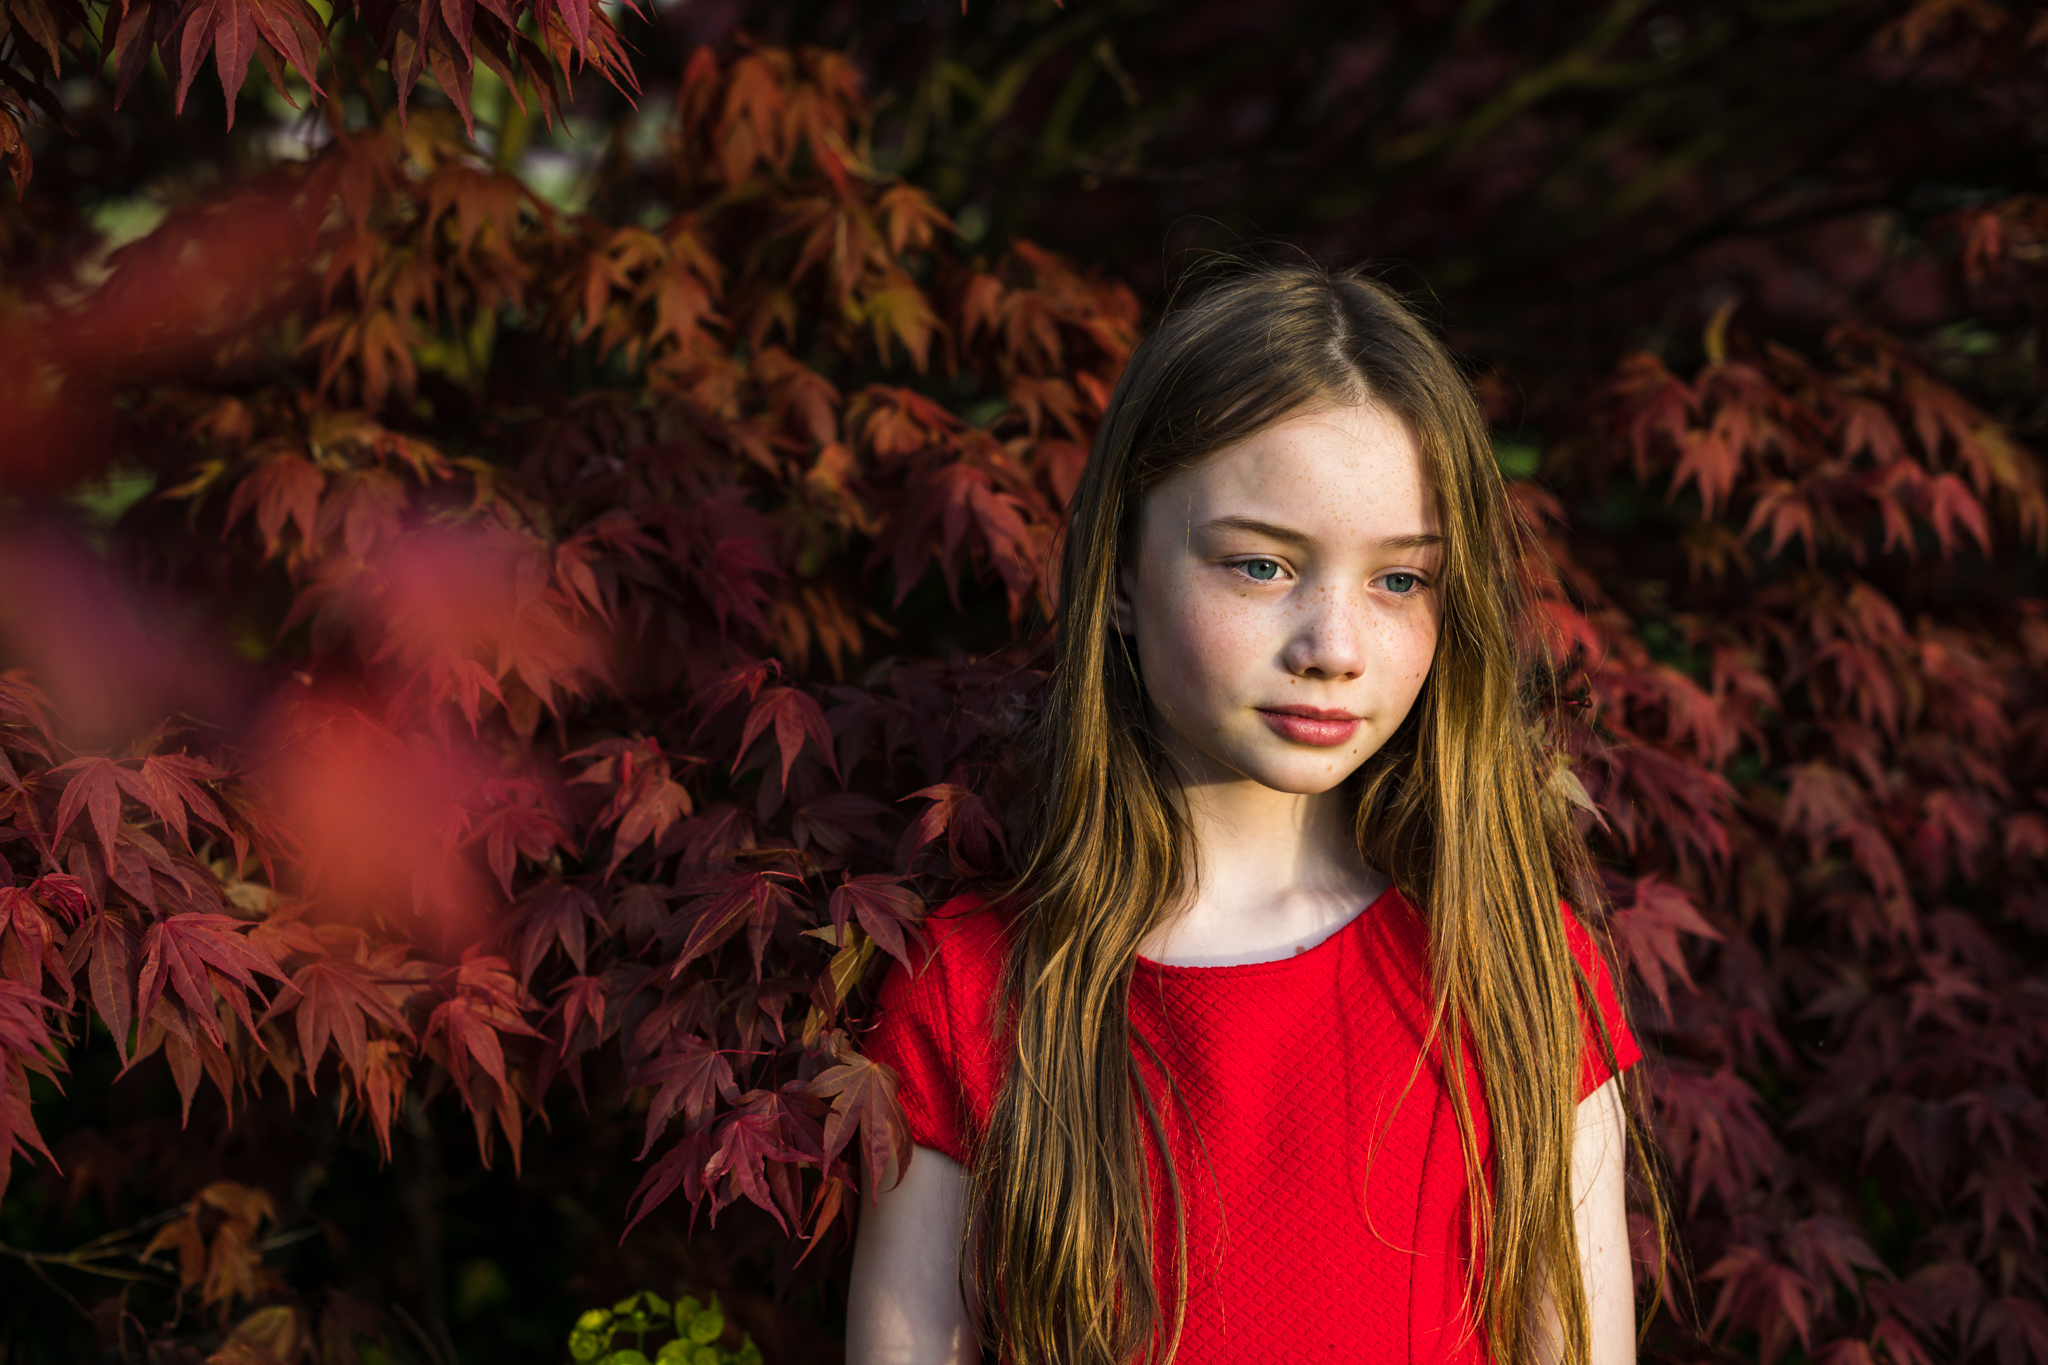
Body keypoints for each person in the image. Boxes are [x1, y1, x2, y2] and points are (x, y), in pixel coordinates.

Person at [846, 262, 1652, 1365]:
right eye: (1262, 565)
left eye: (1399, 582)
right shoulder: (973, 992)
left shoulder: (1513, 972)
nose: (1332, 646)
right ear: (1121, 571)